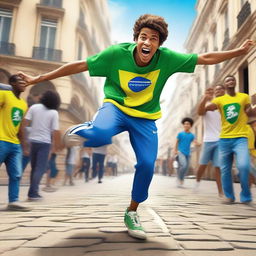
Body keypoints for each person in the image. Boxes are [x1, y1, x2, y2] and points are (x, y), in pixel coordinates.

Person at [18, 14, 255, 239]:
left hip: (145, 117)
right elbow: (80, 65)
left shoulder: (167, 58)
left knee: (146, 165)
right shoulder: (115, 54)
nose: (147, 42)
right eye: (143, 36)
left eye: (153, 39)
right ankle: (85, 130)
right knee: (101, 134)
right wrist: (39, 78)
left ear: (159, 44)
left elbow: (206, 58)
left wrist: (239, 51)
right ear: (136, 38)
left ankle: (132, 211)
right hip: (116, 107)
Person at [205, 75, 256, 204]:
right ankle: (229, 196)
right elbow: (205, 109)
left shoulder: (243, 97)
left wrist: (253, 108)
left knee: (244, 166)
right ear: (225, 84)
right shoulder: (220, 100)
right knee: (225, 169)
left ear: (235, 82)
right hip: (224, 139)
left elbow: (249, 113)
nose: (230, 81)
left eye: (232, 79)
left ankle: (245, 195)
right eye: (227, 80)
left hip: (241, 138)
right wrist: (205, 99)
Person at [22, 90, 61, 200]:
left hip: (32, 141)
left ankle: (32, 192)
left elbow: (24, 122)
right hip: (44, 143)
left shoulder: (34, 107)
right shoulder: (54, 112)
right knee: (40, 169)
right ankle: (33, 193)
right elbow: (55, 131)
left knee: (34, 168)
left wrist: (24, 140)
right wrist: (54, 148)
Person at [0, 75, 30, 211]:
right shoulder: (4, 95)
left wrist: (24, 145)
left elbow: (21, 126)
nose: (23, 83)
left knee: (16, 174)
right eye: (20, 81)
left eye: (24, 81)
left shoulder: (24, 104)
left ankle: (13, 201)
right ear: (12, 83)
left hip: (14, 144)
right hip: (1, 140)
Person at [195, 85, 225, 197]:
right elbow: (199, 112)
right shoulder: (207, 105)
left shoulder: (225, 104)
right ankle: (197, 181)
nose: (216, 91)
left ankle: (220, 192)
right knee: (202, 165)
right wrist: (204, 98)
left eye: (218, 90)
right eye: (214, 90)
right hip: (208, 140)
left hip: (221, 139)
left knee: (218, 166)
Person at [174, 117, 197, 187]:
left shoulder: (192, 135)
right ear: (183, 125)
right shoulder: (180, 134)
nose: (186, 125)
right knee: (183, 165)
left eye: (188, 124)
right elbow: (177, 142)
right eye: (185, 124)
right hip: (180, 152)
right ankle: (180, 179)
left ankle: (181, 178)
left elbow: (195, 142)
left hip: (188, 153)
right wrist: (175, 150)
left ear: (190, 126)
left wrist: (198, 143)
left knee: (186, 168)